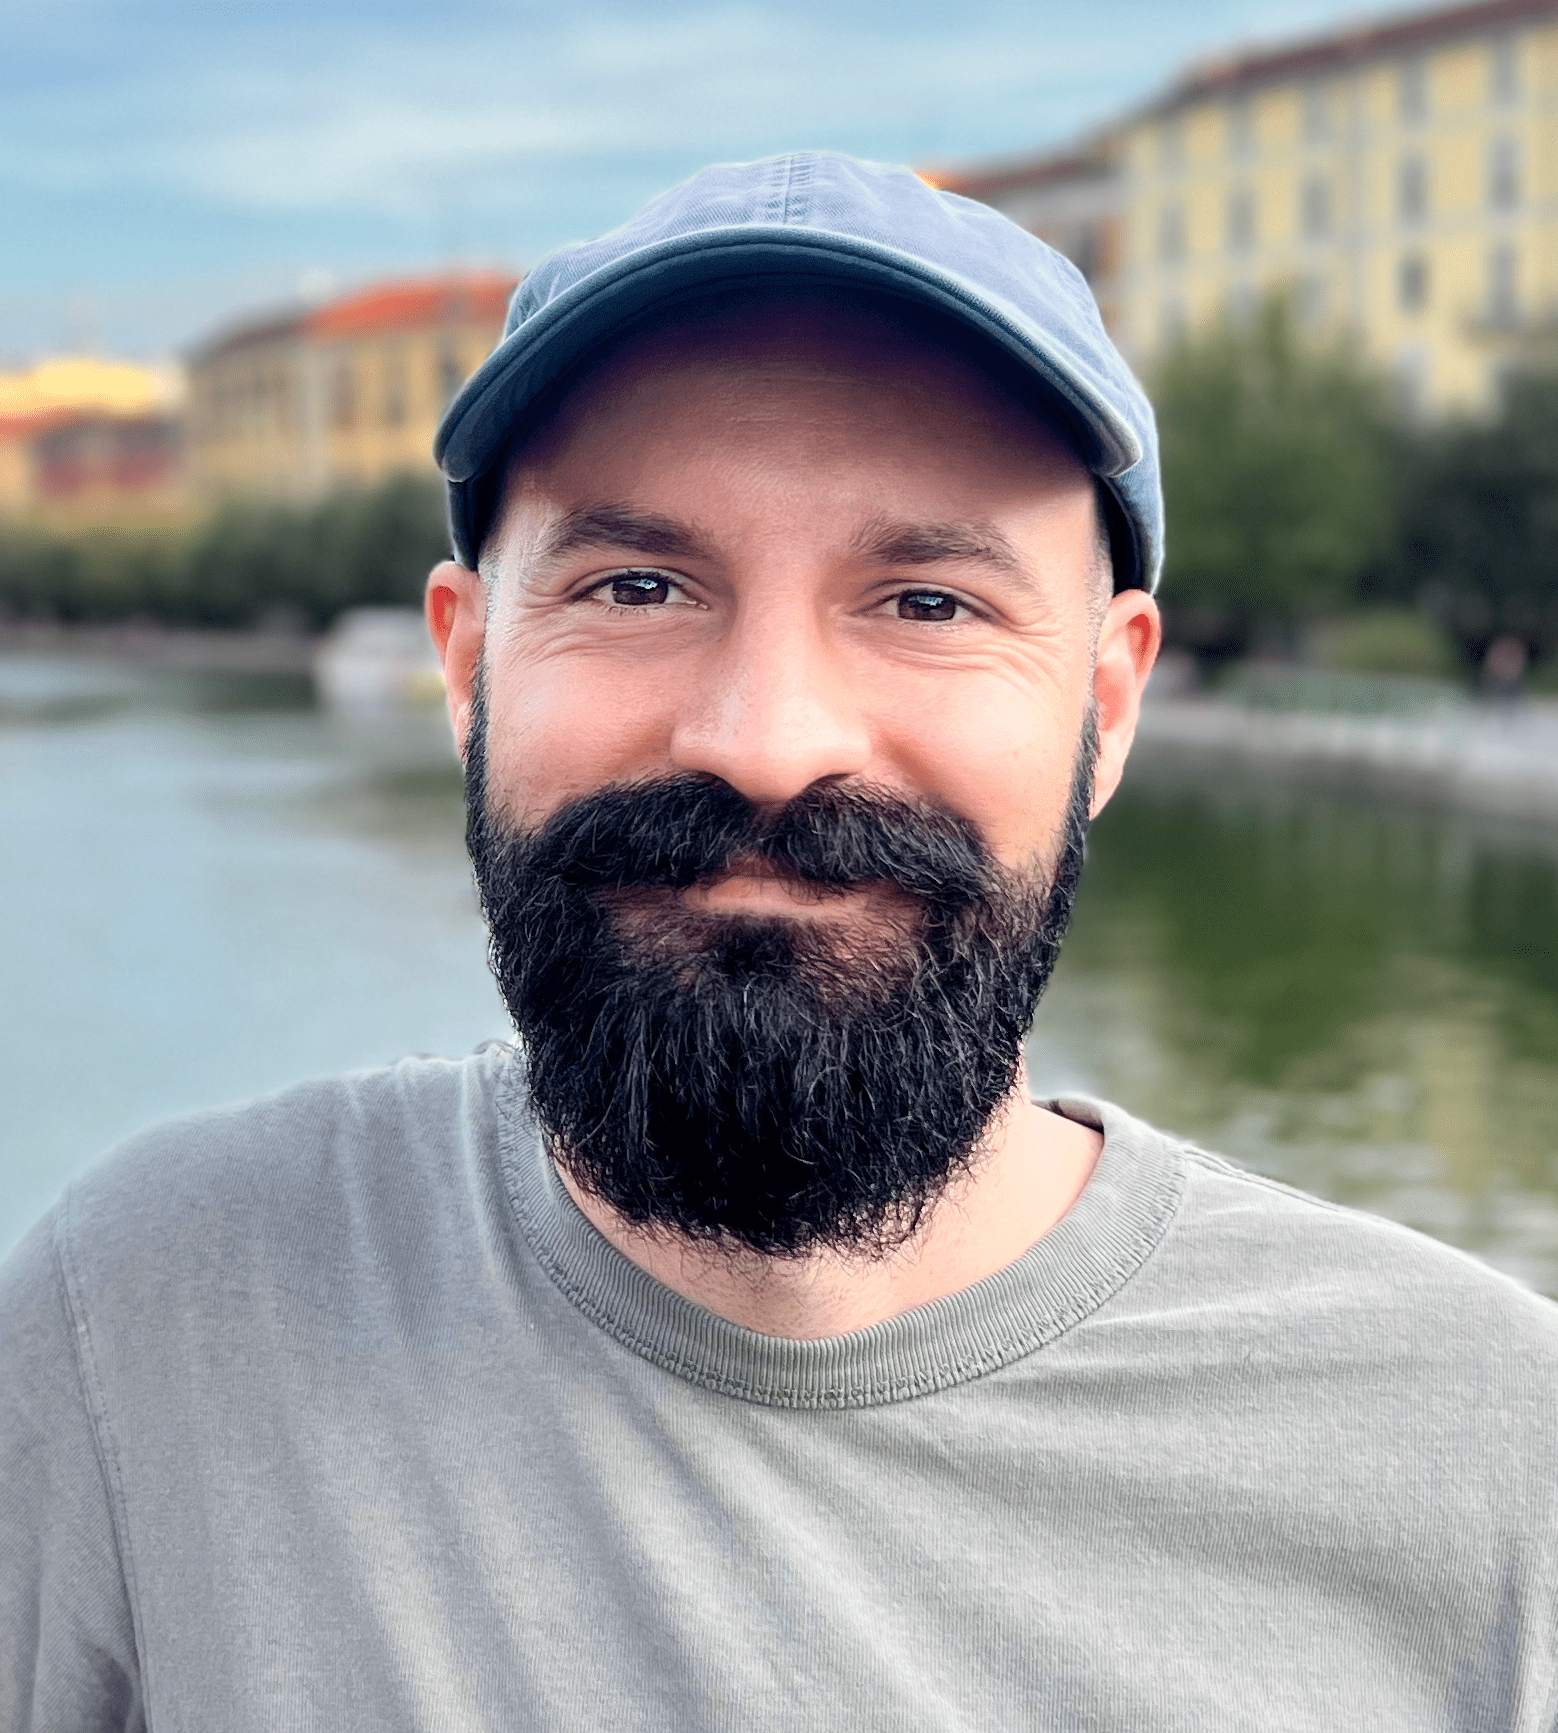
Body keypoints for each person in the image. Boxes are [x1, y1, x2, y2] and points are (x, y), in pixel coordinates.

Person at [3, 153, 1556, 1731]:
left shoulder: (1498, 1466)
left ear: (1105, 705)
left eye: (929, 603)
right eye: (640, 583)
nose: (766, 741)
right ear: (466, 671)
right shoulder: (137, 1324)